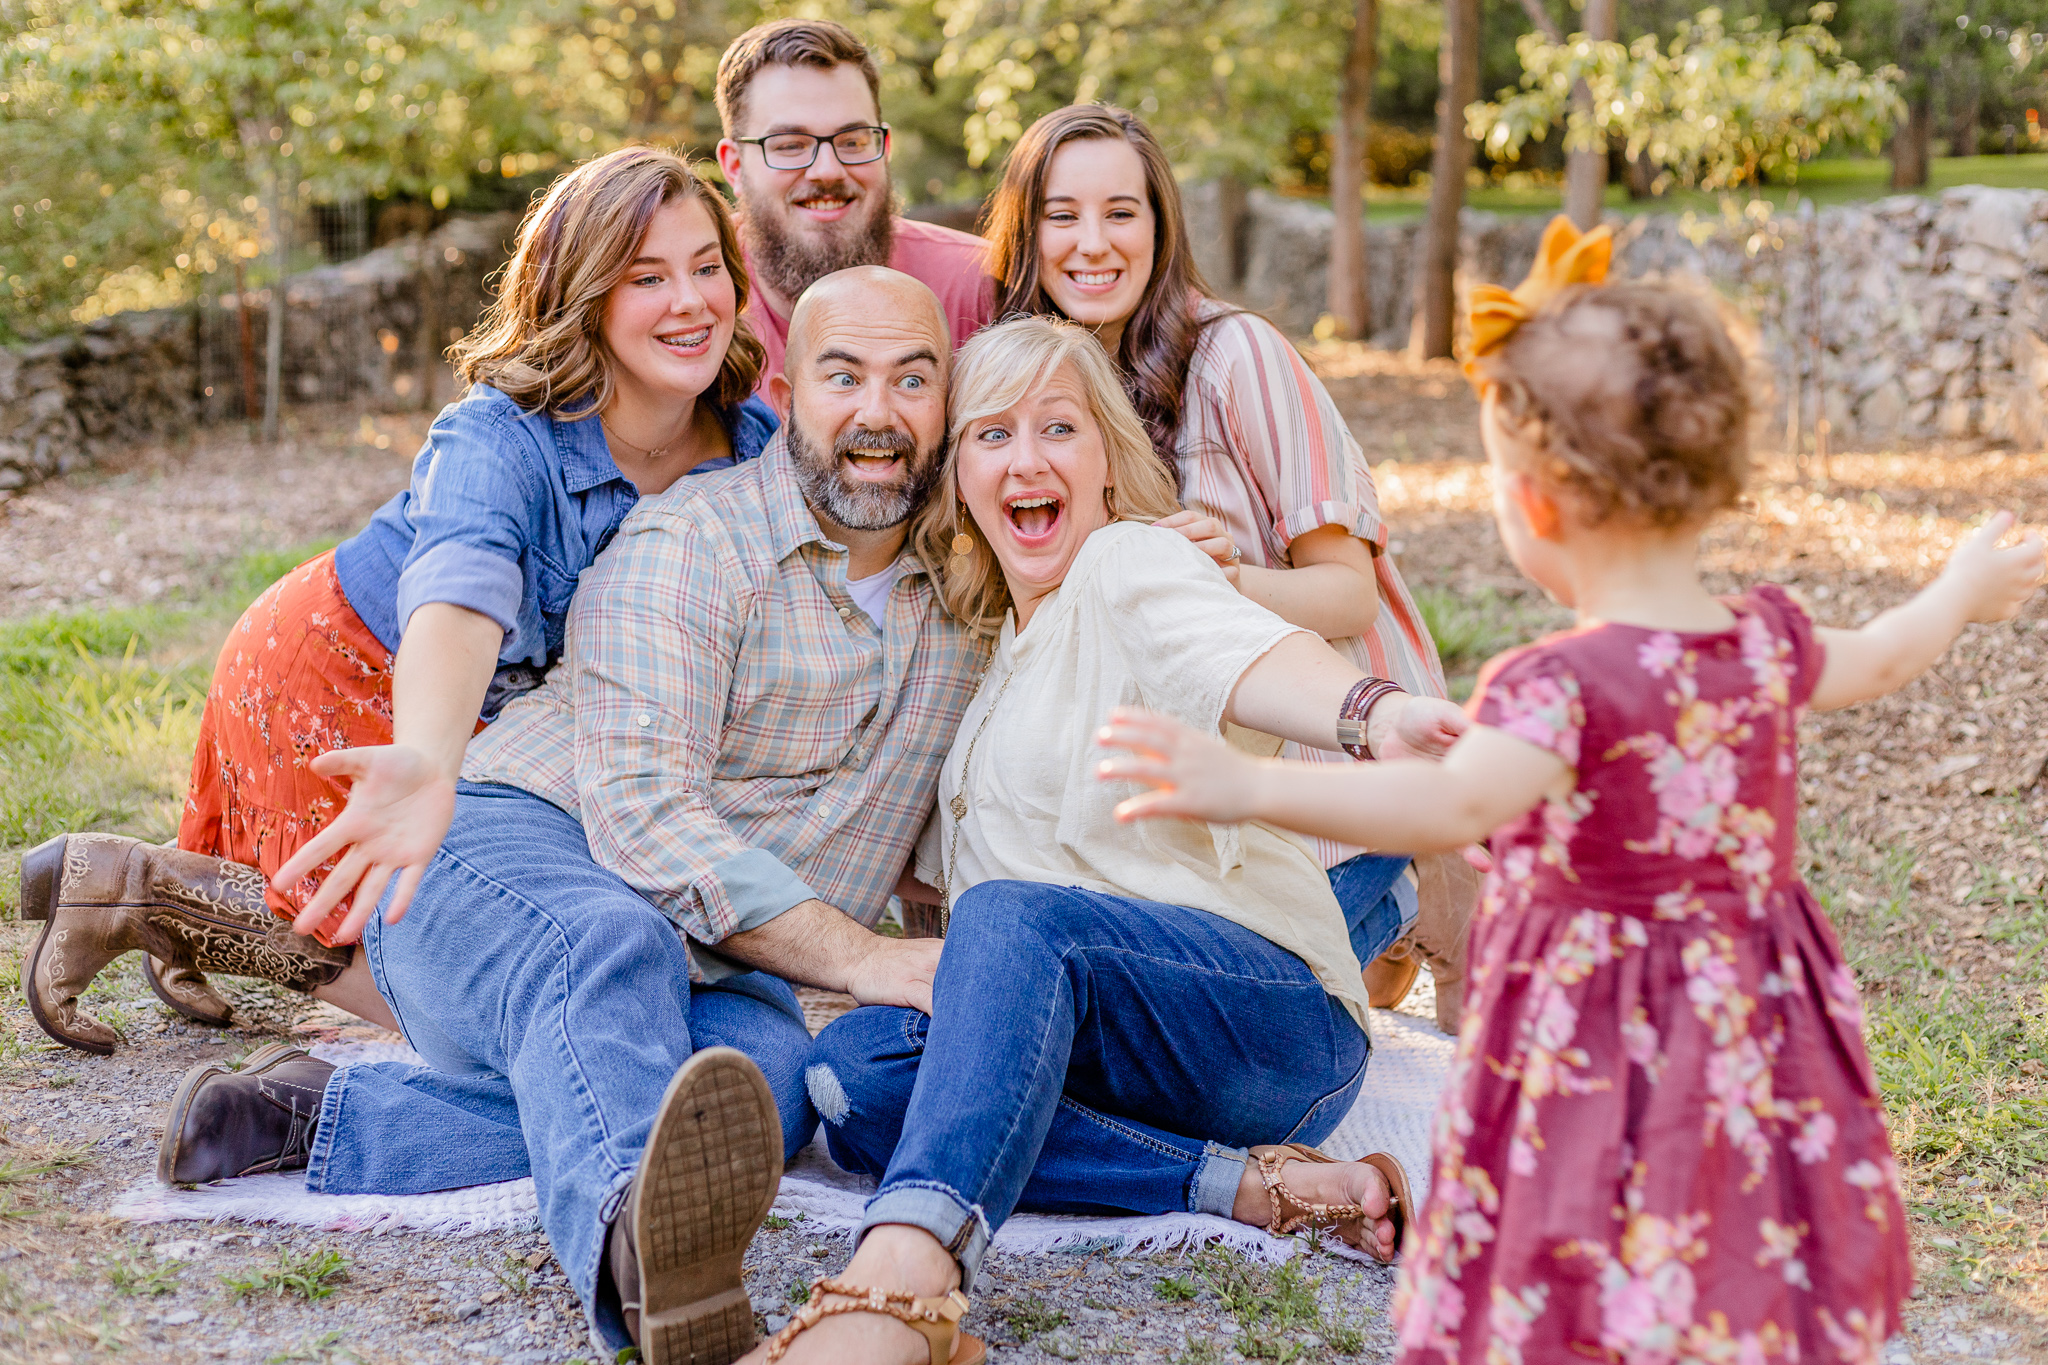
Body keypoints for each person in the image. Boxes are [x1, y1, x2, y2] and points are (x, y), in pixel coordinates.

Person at [1093, 220, 2047, 1363]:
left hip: (1609, 1024)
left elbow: (1441, 810)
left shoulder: (1559, 686)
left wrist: (1246, 782)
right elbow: (1889, 651)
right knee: (1728, 1212)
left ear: (1536, 504)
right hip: (1752, 1011)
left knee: (1595, 1222)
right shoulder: (1764, 643)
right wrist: (1956, 587)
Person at [153, 267, 992, 1365]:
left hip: (721, 961)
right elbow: (643, 822)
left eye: (911, 379)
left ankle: (317, 1119)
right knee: (613, 943)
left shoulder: (971, 597)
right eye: (844, 376)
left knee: (762, 1098)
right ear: (788, 393)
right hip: (505, 859)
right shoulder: (694, 539)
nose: (877, 412)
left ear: (946, 405)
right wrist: (861, 961)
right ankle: (652, 1275)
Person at [736, 314, 1470, 1365]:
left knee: (1009, 922)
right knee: (857, 1077)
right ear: (957, 482)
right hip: (1103, 1041)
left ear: (1106, 463)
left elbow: (1249, 653)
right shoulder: (984, 681)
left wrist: (1370, 711)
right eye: (990, 435)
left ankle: (898, 1284)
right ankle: (1253, 1188)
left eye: (1057, 429)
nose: (1025, 460)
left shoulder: (1129, 566)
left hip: (1265, 1019)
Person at [20, 147, 778, 1054]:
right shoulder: (497, 434)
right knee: (449, 978)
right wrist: (424, 754)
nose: (691, 301)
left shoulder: (750, 445)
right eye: (647, 277)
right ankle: (140, 889)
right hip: (347, 661)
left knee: (555, 970)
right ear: (585, 297)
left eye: (707, 268)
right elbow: (462, 586)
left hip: (510, 721)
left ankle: (181, 901)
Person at [980, 102, 1475, 1030]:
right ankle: (1385, 934)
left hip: (1327, 786)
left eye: (1122, 212)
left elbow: (1348, 590)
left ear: (1161, 227)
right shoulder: (1031, 391)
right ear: (1024, 231)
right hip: (1190, 809)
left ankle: (1416, 880)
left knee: (1251, 1013)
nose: (1093, 243)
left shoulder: (1234, 355)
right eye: (1061, 214)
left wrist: (1228, 579)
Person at [713, 19, 994, 383]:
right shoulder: (700, 299)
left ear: (884, 148)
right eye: (789, 146)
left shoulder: (978, 284)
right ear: (734, 167)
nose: (827, 171)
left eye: (852, 141)